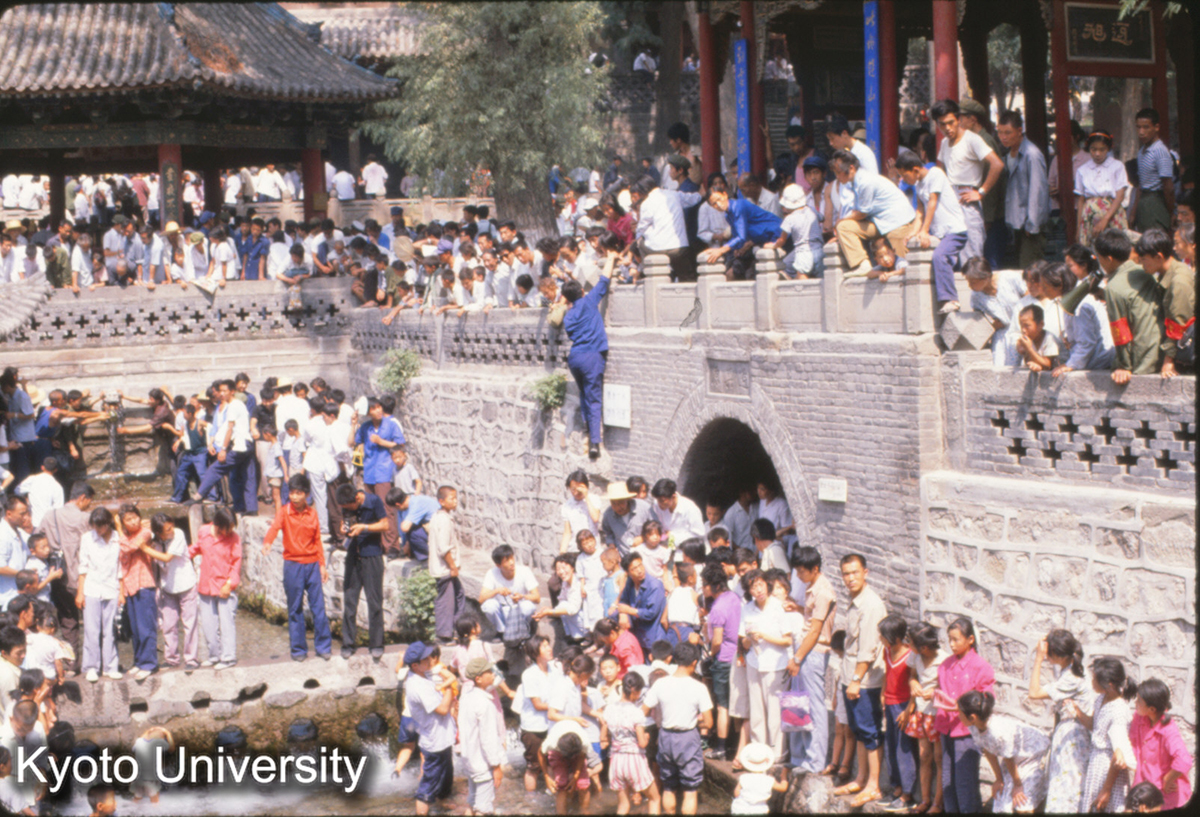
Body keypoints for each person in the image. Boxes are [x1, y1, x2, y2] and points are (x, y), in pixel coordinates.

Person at [830, 554, 887, 808]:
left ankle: (873, 786)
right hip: (850, 676)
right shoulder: (854, 601)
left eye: (854, 572)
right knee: (858, 730)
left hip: (864, 681)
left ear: (866, 572)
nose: (850, 578)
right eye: (845, 573)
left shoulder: (871, 604)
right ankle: (861, 778)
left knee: (870, 732)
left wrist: (855, 680)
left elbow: (868, 649)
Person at [262, 474, 331, 662]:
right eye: (292, 493)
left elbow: (317, 541)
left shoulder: (313, 514)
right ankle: (299, 650)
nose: (294, 497)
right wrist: (267, 542)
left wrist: (322, 565)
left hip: (312, 565)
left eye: (299, 493)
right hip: (293, 565)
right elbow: (274, 528)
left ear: (307, 495)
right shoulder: (284, 512)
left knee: (319, 608)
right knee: (295, 609)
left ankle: (323, 646)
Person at [641, 641, 712, 816]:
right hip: (688, 737)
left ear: (674, 659)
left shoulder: (661, 684)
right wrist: (697, 723)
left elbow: (643, 711)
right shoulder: (699, 687)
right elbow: (709, 723)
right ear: (694, 663)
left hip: (665, 736)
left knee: (669, 786)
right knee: (690, 789)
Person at [562, 240, 618, 460]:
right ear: (582, 292)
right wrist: (611, 258)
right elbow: (604, 280)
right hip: (592, 355)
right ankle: (595, 442)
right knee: (594, 399)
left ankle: (587, 427)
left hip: (575, 358)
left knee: (585, 393)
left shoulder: (569, 316)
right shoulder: (589, 301)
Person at [931, 99, 1004, 265]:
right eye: (942, 124)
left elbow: (997, 164)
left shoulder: (972, 139)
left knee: (972, 259)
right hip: (950, 200)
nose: (947, 128)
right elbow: (941, 171)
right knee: (952, 258)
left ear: (958, 119)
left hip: (967, 198)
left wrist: (981, 192)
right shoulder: (944, 143)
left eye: (951, 122)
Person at [895, 151, 969, 313]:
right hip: (940, 233)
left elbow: (932, 203)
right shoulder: (918, 184)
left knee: (940, 256)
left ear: (915, 170)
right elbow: (920, 211)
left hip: (954, 230)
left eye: (905, 175)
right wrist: (914, 232)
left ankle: (952, 299)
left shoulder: (936, 174)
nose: (904, 180)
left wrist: (925, 231)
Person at [934, 617, 995, 814]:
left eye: (956, 640)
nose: (951, 645)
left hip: (967, 731)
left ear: (970, 640)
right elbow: (939, 688)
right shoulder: (945, 665)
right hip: (947, 727)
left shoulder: (981, 667)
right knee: (948, 781)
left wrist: (961, 707)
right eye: (949, 640)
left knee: (965, 782)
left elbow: (987, 699)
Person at [830, 150, 919, 279]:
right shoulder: (855, 182)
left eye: (838, 173)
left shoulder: (865, 181)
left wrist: (840, 221)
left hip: (898, 222)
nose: (837, 177)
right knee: (845, 227)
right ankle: (862, 264)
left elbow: (861, 213)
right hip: (880, 222)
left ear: (851, 168)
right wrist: (841, 229)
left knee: (906, 268)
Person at [958, 690, 1050, 813]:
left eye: (960, 713)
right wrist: (999, 779)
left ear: (972, 717)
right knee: (1002, 806)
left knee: (1023, 804)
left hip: (1034, 754)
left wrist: (1018, 785)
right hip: (1015, 758)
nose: (958, 716)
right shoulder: (974, 727)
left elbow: (1008, 758)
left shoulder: (998, 732)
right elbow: (988, 750)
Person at [1094, 228, 1164, 382]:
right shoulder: (1145, 270)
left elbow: (1120, 331)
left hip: (1142, 360)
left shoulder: (1113, 288)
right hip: (1162, 352)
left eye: (1099, 257)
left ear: (1109, 259)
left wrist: (1124, 366)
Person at [737, 569, 792, 764]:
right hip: (754, 662)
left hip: (775, 663)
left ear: (767, 585)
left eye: (760, 584)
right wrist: (750, 639)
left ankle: (777, 754)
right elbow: (743, 641)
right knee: (757, 710)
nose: (758, 589)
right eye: (753, 586)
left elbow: (787, 641)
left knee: (775, 711)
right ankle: (759, 753)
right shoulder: (747, 609)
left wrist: (765, 636)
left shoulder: (778, 607)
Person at [1077, 656, 1139, 812]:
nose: (1092, 683)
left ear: (1108, 685)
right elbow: (1095, 725)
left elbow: (1119, 758)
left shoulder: (1118, 711)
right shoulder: (1101, 699)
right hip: (1096, 764)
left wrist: (1106, 789)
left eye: (1094, 680)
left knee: (1105, 807)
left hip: (1109, 771)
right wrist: (1076, 712)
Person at [335, 484, 387, 660]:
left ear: (357, 498)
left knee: (375, 603)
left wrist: (364, 528)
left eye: (349, 507)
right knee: (350, 603)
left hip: (372, 556)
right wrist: (344, 527)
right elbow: (346, 521)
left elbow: (385, 524)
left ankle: (377, 644)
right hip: (353, 556)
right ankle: (348, 644)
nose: (346, 509)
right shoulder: (346, 504)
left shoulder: (374, 501)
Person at [404, 641, 457, 815]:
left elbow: (444, 672)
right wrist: (449, 687)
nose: (430, 661)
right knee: (426, 787)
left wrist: (445, 677)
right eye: (426, 659)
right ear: (415, 665)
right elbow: (442, 709)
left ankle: (441, 804)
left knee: (445, 777)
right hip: (434, 741)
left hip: (442, 738)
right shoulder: (418, 685)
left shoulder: (422, 675)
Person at [1134, 228, 1194, 379]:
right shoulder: (1165, 274)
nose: (1142, 264)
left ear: (1158, 257)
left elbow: (1180, 324)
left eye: (1144, 259)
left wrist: (1168, 360)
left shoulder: (1179, 281)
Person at [1128, 678, 1192, 812]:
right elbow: (1134, 743)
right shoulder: (1140, 717)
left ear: (1151, 709)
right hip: (1145, 790)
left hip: (1166, 797)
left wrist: (1168, 779)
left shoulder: (1168, 730)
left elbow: (1184, 760)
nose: (1135, 703)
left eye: (1139, 700)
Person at [996, 111, 1050, 268]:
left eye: (1008, 132)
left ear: (1019, 131)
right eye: (1000, 132)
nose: (1003, 137)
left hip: (1030, 226)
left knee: (1031, 271)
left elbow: (1038, 191)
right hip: (1015, 222)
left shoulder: (1031, 154)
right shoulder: (1007, 152)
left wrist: (1032, 225)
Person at [699, 188, 783, 281]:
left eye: (719, 199)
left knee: (755, 274)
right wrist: (738, 248)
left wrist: (721, 250)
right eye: (714, 204)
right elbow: (739, 238)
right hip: (763, 241)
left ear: (725, 194)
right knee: (734, 272)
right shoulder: (728, 214)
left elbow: (741, 237)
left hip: (779, 236)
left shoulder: (738, 207)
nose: (718, 204)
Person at [77, 507, 120, 682]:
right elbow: (83, 566)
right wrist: (80, 593)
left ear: (108, 523)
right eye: (95, 526)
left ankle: (111, 666)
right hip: (92, 588)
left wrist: (122, 592)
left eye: (100, 526)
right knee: (91, 629)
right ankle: (91, 667)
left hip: (112, 588)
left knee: (110, 630)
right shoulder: (87, 539)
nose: (98, 530)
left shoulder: (118, 538)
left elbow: (121, 566)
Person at [459, 657, 506, 816]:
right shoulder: (485, 704)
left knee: (472, 801)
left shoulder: (466, 697)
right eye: (489, 672)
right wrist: (496, 765)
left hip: (470, 760)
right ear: (478, 679)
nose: (493, 674)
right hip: (483, 763)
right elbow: (489, 739)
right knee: (483, 808)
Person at [1074, 131, 1130, 247]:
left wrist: (1105, 219)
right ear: (1088, 148)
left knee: (1115, 247)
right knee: (1091, 249)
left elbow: (1119, 196)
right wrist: (1079, 227)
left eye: (1102, 149)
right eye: (1093, 149)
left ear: (1108, 149)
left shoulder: (1117, 166)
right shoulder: (1083, 170)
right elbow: (1080, 200)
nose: (1097, 153)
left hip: (1112, 214)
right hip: (1090, 214)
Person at [479, 544, 540, 642]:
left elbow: (537, 598)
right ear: (499, 565)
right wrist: (496, 591)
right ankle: (502, 632)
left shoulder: (524, 571)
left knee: (529, 606)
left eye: (512, 558)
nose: (512, 562)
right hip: (503, 611)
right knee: (488, 605)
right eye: (507, 560)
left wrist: (522, 597)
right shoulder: (491, 573)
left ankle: (522, 631)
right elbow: (481, 599)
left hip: (518, 610)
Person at [518, 635, 555, 791]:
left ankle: (553, 794)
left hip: (551, 723)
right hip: (534, 727)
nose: (549, 648)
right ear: (535, 652)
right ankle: (530, 802)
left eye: (548, 645)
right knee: (534, 766)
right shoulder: (530, 674)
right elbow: (538, 705)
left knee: (553, 761)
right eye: (544, 646)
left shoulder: (554, 669)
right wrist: (561, 706)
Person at [428, 485, 463, 644]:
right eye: (451, 498)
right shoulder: (444, 520)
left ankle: (456, 631)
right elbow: (443, 548)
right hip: (445, 569)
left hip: (443, 568)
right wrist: (453, 567)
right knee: (446, 602)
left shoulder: (439, 517)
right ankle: (444, 635)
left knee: (459, 596)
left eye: (456, 498)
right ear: (441, 501)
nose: (455, 502)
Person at [612, 552, 666, 652]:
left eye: (640, 565)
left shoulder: (655, 585)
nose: (639, 571)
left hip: (652, 636)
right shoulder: (630, 582)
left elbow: (650, 613)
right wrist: (623, 613)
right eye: (634, 569)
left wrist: (628, 610)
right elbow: (624, 600)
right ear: (627, 572)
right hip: (637, 634)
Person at [1133, 108, 1174, 233]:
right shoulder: (1142, 151)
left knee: (1155, 242)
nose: (1141, 132)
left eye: (1146, 127)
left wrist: (1171, 213)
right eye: (1138, 127)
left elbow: (1168, 187)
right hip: (1144, 201)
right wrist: (1133, 212)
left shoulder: (1159, 151)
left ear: (1156, 127)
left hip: (1156, 201)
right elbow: (1141, 184)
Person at [731, 743, 788, 815]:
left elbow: (736, 793)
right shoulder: (769, 780)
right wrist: (784, 775)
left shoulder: (744, 777)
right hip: (759, 810)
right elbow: (783, 788)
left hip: (740, 808)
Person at [1014, 304, 1059, 372]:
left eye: (1027, 326)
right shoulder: (1029, 338)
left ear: (1040, 325)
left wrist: (1029, 349)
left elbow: (1047, 366)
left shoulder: (1049, 338)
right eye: (1021, 326)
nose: (1023, 330)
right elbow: (1030, 362)